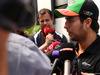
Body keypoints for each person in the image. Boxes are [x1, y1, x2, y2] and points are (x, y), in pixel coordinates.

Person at [0, 0, 52, 75]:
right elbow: (41, 66)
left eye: (47, 20)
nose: (45, 23)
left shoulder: (27, 39)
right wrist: (46, 44)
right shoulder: (23, 44)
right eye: (42, 21)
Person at [55, 0, 100, 74]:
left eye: (70, 21)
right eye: (66, 20)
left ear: (87, 22)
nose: (65, 26)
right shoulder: (69, 53)